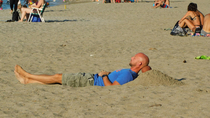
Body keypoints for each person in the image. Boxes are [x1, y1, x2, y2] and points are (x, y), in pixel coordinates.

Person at [14, 53, 151, 87]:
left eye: (134, 58)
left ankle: (28, 75)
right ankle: (27, 80)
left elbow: (113, 88)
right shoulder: (128, 72)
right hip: (92, 78)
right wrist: (108, 73)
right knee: (58, 81)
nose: (131, 57)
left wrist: (103, 75)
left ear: (139, 63)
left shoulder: (128, 74)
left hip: (91, 81)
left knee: (57, 77)